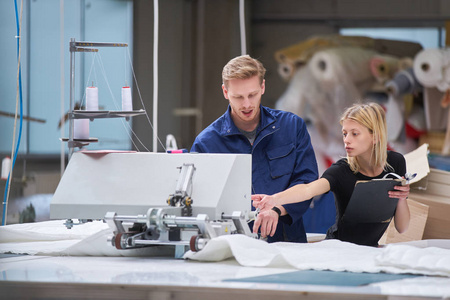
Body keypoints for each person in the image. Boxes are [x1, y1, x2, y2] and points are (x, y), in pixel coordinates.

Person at [190, 55, 318, 243]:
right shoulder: (206, 143)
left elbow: (307, 182)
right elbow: (199, 201)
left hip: (287, 241)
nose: (247, 104)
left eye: (252, 94)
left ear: (263, 87)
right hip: (231, 244)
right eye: (238, 97)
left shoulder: (292, 127)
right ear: (225, 92)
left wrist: (276, 209)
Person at [252, 102, 411, 247]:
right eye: (344, 133)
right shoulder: (342, 170)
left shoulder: (396, 164)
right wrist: (274, 199)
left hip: (370, 250)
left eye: (354, 134)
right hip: (338, 250)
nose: (347, 140)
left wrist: (402, 199)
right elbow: (308, 190)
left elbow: (402, 228)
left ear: (375, 137)